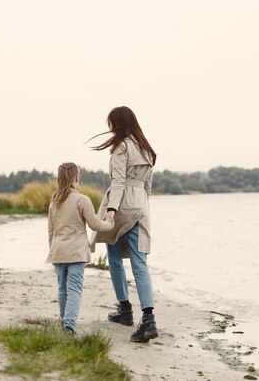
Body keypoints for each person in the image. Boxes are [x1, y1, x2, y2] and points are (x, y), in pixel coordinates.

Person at [89, 106, 158, 343]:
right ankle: (148, 317)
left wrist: (111, 210)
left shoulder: (122, 146)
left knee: (114, 256)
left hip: (121, 204)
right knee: (140, 263)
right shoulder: (147, 148)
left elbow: (118, 181)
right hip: (141, 206)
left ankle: (125, 309)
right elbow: (148, 186)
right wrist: (143, 207)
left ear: (117, 123)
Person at [47, 162, 114, 334]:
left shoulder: (54, 201)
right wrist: (110, 224)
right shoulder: (82, 199)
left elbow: (51, 231)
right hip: (76, 252)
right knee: (74, 288)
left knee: (62, 289)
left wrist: (53, 250)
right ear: (76, 178)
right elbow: (95, 224)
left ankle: (64, 321)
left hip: (58, 251)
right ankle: (69, 324)